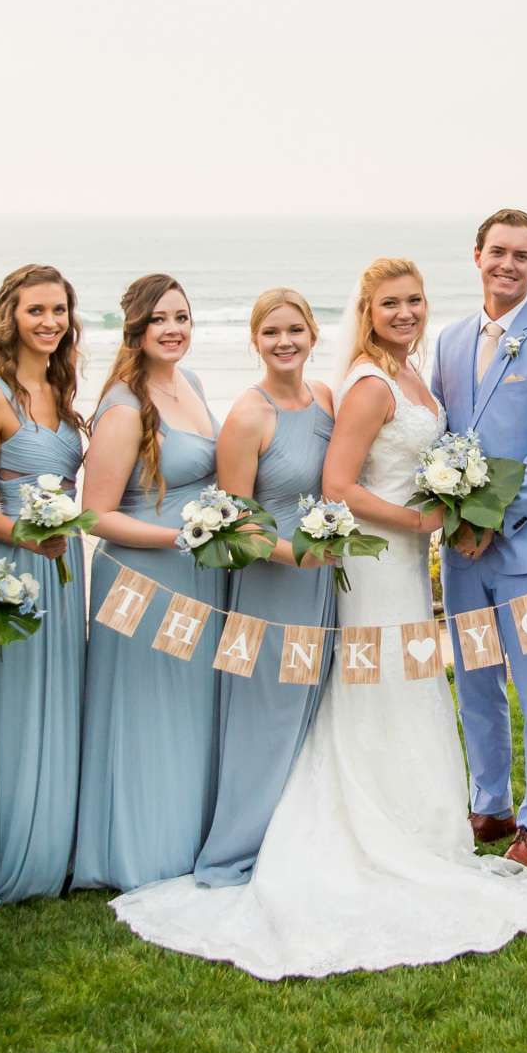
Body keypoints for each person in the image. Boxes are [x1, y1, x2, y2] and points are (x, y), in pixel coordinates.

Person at [107, 258, 527, 975]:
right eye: (390, 302)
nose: (407, 312)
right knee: (375, 684)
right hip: (373, 561)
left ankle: (420, 826)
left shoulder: (382, 379)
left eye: (416, 299)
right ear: (365, 309)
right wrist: (421, 523)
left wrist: (452, 503)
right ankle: (353, 828)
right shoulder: (359, 385)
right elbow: (337, 486)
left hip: (401, 565)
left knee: (405, 685)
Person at [428, 209, 527, 867]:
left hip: (526, 555)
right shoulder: (449, 340)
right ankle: (489, 804)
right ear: (477, 256)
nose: (508, 264)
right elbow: (441, 436)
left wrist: (490, 519)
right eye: (498, 251)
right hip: (463, 559)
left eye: (521, 255)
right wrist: (456, 520)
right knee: (475, 681)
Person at [75, 274, 224, 892]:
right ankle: (138, 852)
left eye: (182, 317)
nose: (173, 330)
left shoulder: (190, 383)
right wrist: (182, 538)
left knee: (189, 713)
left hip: (197, 573)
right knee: (146, 715)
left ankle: (186, 838)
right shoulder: (123, 405)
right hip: (143, 579)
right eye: (160, 319)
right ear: (135, 329)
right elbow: (95, 513)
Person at [191, 288, 337, 885]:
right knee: (266, 716)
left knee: (313, 711)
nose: (285, 342)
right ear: (254, 341)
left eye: (295, 330)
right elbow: (235, 522)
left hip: (323, 586)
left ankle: (300, 837)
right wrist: (296, 555)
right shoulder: (248, 416)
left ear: (313, 335)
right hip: (272, 588)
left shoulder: (325, 398)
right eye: (272, 332)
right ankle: (238, 845)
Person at [0, 263, 87, 903]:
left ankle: (56, 847)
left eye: (59, 311)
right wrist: (26, 538)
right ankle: (14, 849)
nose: (49, 322)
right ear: (10, 315)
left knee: (63, 694)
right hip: (18, 566)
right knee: (15, 703)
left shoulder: (65, 390)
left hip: (68, 568)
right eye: (36, 310)